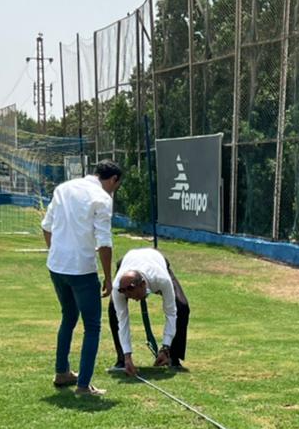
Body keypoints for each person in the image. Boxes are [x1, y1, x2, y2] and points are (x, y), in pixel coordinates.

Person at [41, 161, 123, 396]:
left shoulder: (64, 188)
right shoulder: (102, 198)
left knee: (68, 317)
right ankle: (83, 385)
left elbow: (46, 227)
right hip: (81, 269)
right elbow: (104, 243)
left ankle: (62, 372)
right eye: (116, 186)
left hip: (57, 266)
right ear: (113, 179)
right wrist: (108, 277)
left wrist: (57, 253)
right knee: (92, 326)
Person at [108, 246, 190, 376]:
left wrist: (165, 347)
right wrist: (127, 355)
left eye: (135, 295)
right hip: (128, 260)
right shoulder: (118, 287)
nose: (134, 299)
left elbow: (171, 313)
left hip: (156, 260)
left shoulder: (161, 279)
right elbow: (122, 320)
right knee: (114, 310)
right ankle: (122, 360)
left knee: (182, 307)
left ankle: (172, 357)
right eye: (128, 296)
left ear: (143, 285)